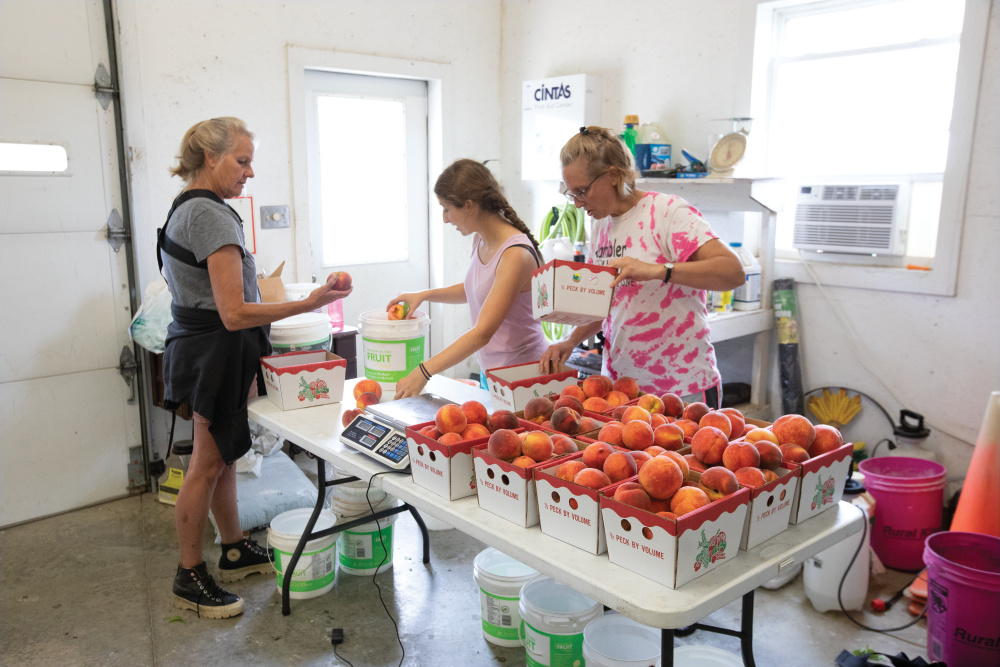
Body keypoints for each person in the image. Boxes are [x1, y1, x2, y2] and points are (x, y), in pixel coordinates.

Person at [160, 117, 351, 619]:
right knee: (205, 463)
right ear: (211, 158)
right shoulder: (210, 216)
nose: (249, 172)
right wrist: (307, 304)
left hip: (202, 346)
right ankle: (189, 574)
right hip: (215, 351)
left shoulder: (189, 208)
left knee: (221, 453)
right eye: (241, 161)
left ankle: (235, 546)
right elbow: (234, 312)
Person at [539, 126, 745, 408]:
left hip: (682, 389)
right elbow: (604, 301)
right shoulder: (600, 223)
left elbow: (732, 271)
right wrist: (570, 340)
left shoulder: (668, 213)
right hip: (622, 388)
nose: (576, 203)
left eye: (582, 191)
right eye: (571, 193)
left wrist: (660, 270)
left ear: (612, 176)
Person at [388, 159, 548, 399]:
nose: (445, 218)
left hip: (524, 378)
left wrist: (424, 371)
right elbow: (475, 290)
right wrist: (424, 295)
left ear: (469, 206)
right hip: (493, 374)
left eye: (446, 208)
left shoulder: (515, 254)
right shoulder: (481, 240)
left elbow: (482, 332)